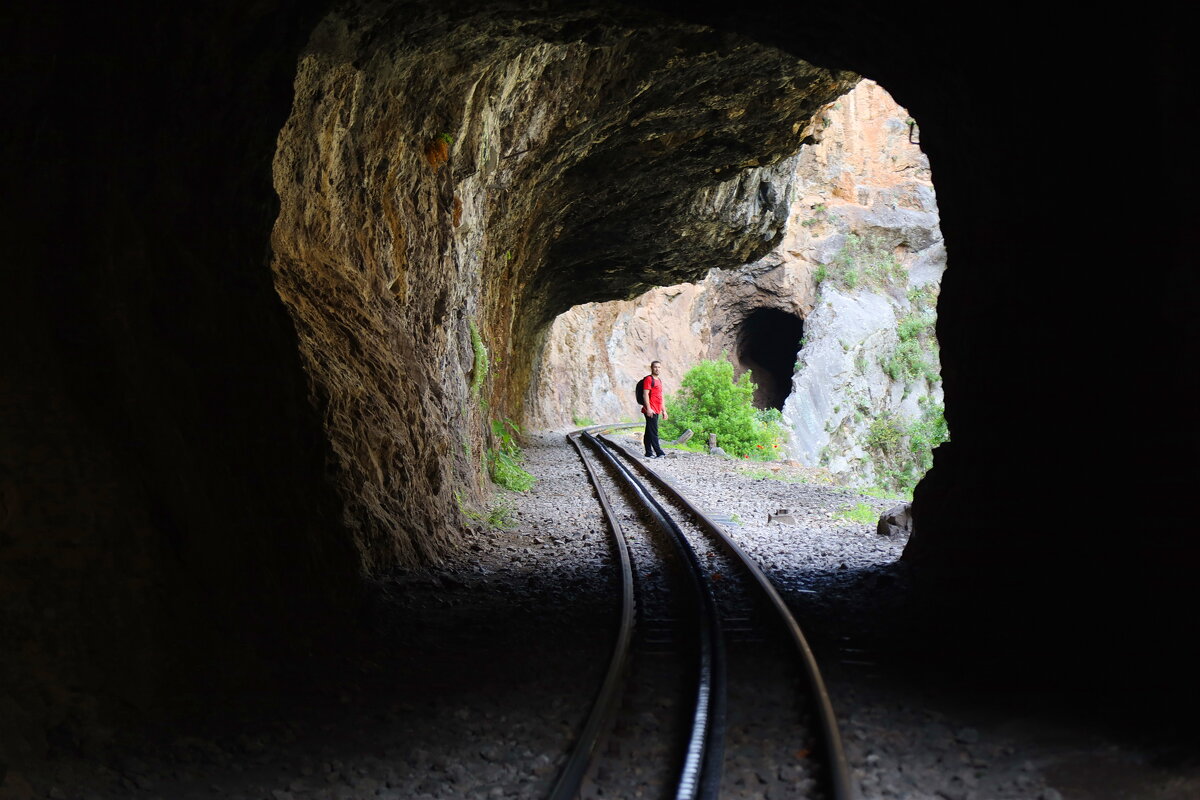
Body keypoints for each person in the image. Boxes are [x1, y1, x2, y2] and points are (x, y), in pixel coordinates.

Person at [639, 360, 668, 459]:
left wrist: (664, 411)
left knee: (649, 432)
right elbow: (645, 394)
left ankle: (648, 452)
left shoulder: (659, 380)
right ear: (651, 368)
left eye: (659, 367)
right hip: (651, 410)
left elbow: (660, 397)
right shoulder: (648, 379)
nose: (657, 369)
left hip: (657, 409)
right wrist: (648, 408)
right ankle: (659, 452)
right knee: (654, 431)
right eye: (655, 367)